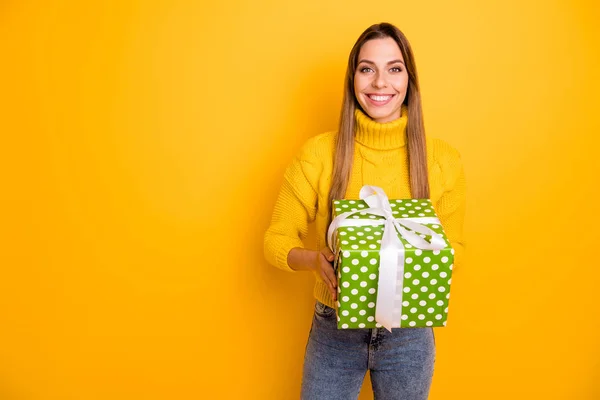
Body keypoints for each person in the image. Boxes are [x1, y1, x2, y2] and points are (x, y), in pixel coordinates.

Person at [263, 22, 466, 400]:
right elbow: (276, 239)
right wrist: (314, 261)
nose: (379, 83)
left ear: (409, 80)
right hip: (334, 330)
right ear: (353, 78)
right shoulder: (319, 154)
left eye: (394, 68)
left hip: (410, 336)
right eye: (366, 68)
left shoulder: (442, 161)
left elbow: (455, 247)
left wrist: (423, 261)